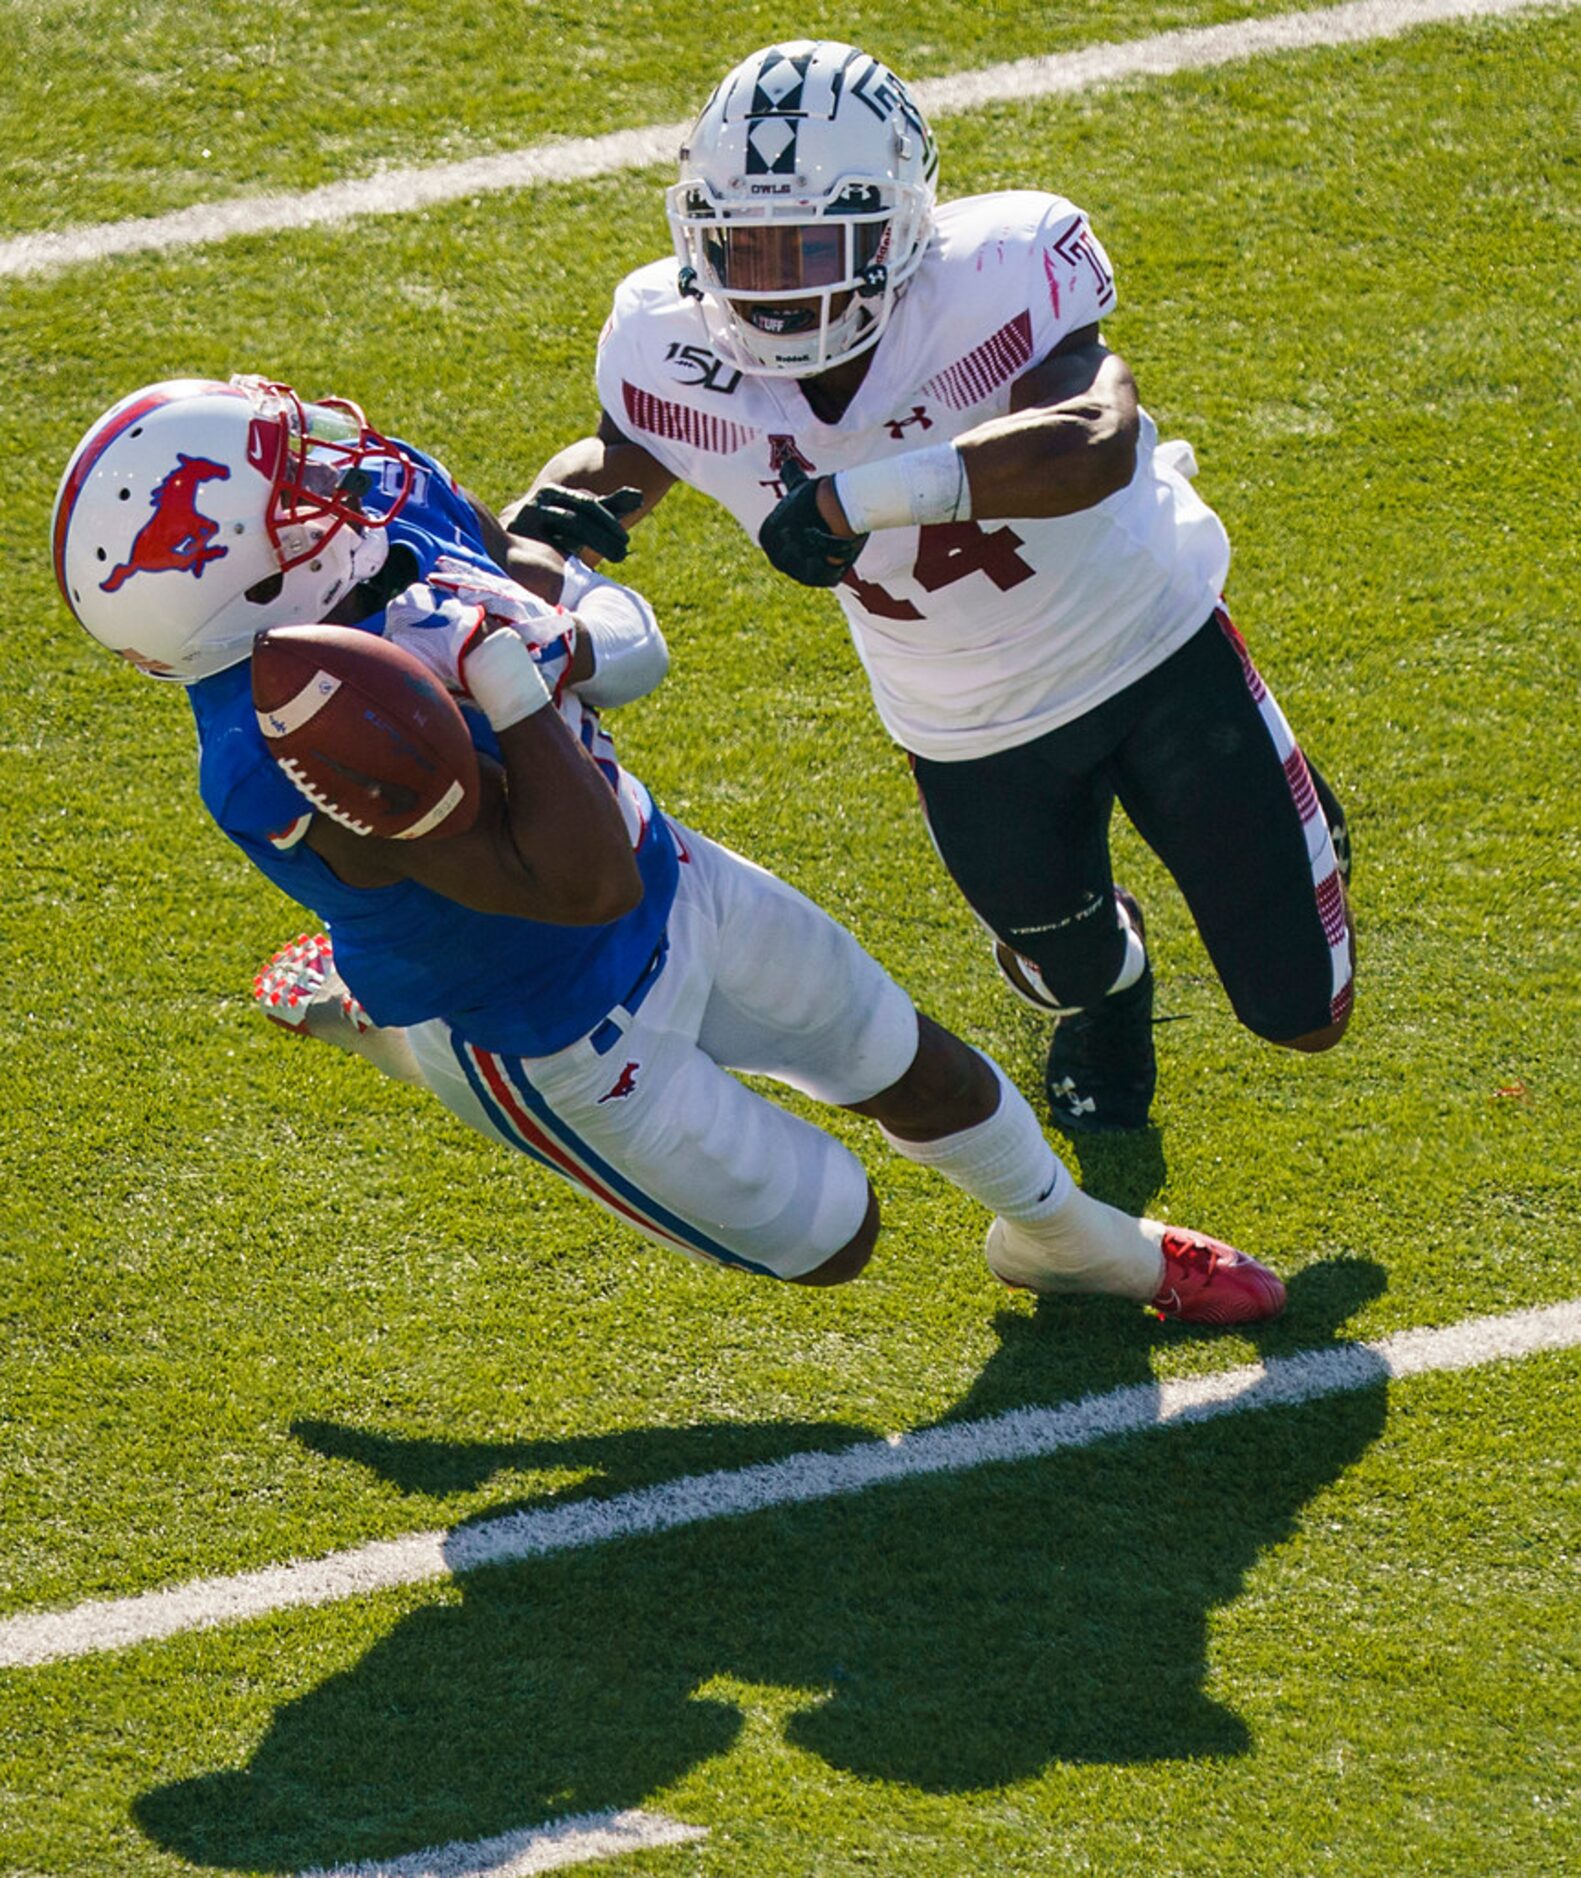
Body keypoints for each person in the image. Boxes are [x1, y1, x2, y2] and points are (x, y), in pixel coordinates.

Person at [50, 372, 1286, 1321]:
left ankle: (1072, 1245)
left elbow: (533, 576)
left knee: (922, 1070)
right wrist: (519, 682)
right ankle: (377, 1017)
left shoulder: (370, 504)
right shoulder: (279, 749)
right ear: (236, 577)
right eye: (287, 483)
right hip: (546, 1017)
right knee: (840, 1239)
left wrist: (556, 619)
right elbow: (570, 888)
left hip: (663, 867)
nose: (334, 463)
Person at [516, 38, 1355, 1135]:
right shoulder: (666, 341)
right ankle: (1119, 987)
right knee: (1063, 970)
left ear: (902, 225)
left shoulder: (998, 271)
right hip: (958, 719)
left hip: (1150, 652)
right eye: (747, 247)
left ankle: (1286, 817)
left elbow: (1093, 439)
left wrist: (856, 499)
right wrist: (546, 527)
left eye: (814, 243)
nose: (780, 284)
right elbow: (618, 455)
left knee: (1305, 1017)